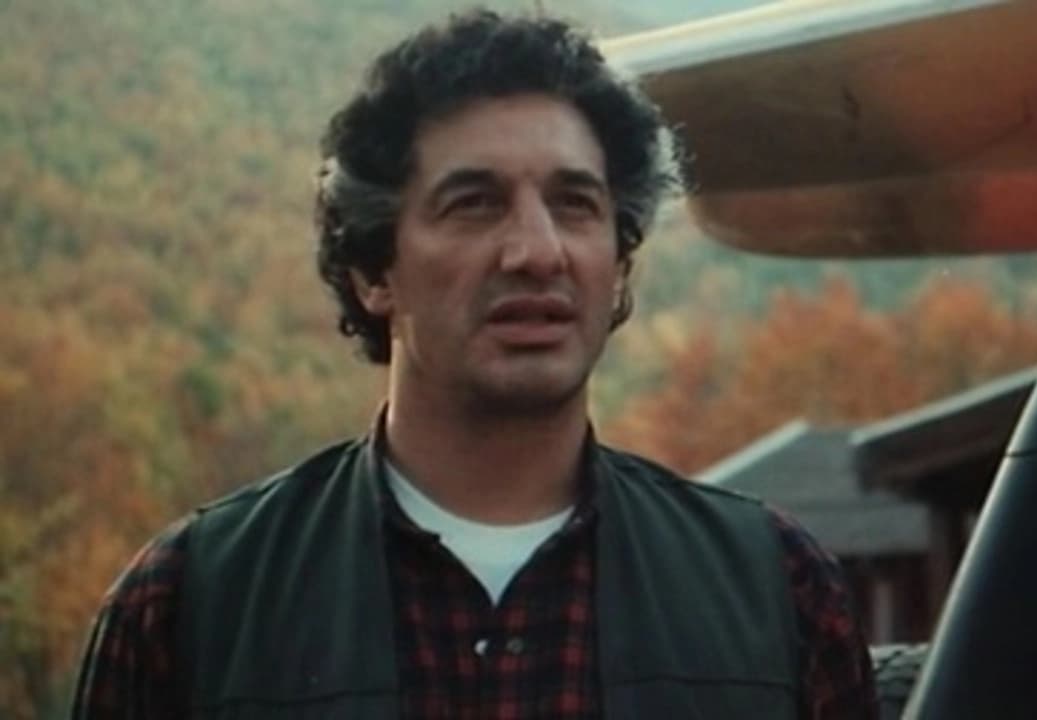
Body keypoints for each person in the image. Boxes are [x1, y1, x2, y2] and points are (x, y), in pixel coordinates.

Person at [71, 9, 877, 719]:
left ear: (620, 264)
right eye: (474, 204)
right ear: (374, 270)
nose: (537, 252)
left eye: (575, 204)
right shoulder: (190, 604)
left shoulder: (778, 590)